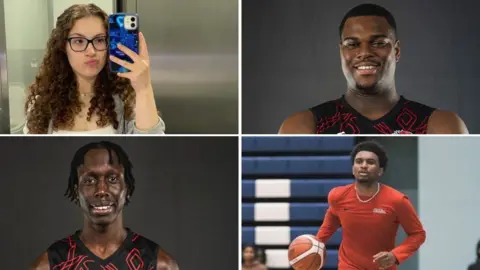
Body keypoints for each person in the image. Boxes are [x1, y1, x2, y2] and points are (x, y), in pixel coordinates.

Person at [279, 3, 468, 134]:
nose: (364, 53)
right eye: (352, 44)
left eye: (378, 43)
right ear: (341, 52)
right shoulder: (304, 126)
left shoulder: (439, 125)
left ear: (396, 50)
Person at [29, 141, 178, 270]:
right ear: (76, 192)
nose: (101, 190)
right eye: (89, 181)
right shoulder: (49, 265)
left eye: (112, 179)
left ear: (127, 189)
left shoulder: (160, 265)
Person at [24, 4, 165, 134]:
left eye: (99, 40)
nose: (91, 51)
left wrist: (144, 88)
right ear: (63, 47)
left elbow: (152, 151)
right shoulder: (42, 104)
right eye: (79, 41)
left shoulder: (125, 99)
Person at [314, 140, 426, 269]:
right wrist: (316, 244)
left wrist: (395, 255)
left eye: (370, 162)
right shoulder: (337, 196)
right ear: (353, 168)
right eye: (359, 161)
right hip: (348, 266)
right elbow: (331, 222)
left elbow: (418, 234)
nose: (364, 165)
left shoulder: (397, 200)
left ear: (380, 171)